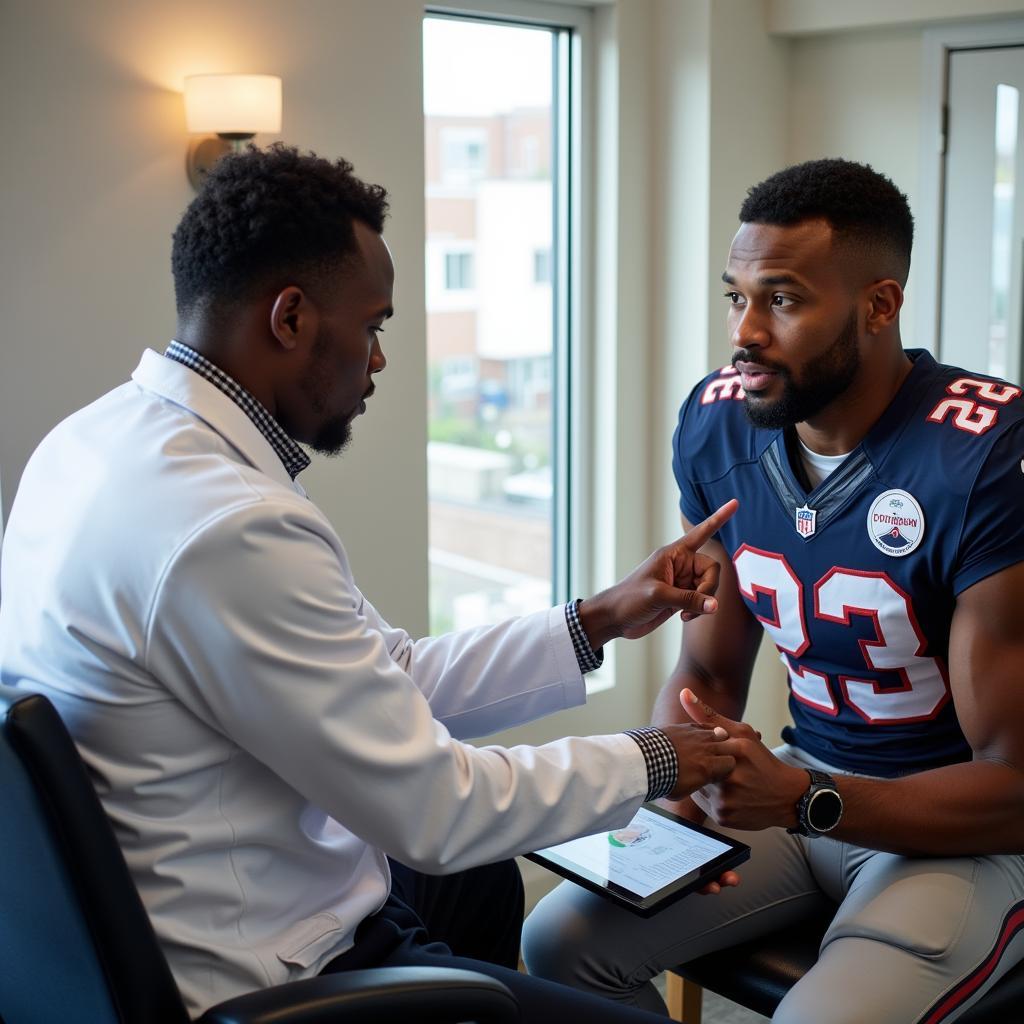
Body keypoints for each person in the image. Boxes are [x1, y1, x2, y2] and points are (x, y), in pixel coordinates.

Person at [0, 145, 742, 1023]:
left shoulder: (94, 444)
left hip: (154, 910)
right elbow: (438, 810)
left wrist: (600, 619)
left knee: (481, 886)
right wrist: (663, 758)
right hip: (264, 976)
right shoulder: (227, 527)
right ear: (291, 318)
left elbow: (386, 677)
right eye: (375, 325)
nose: (380, 360)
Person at [523, 158, 1024, 1023]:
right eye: (735, 298)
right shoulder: (720, 422)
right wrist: (678, 797)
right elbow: (708, 681)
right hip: (806, 785)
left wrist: (803, 800)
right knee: (559, 941)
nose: (744, 332)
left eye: (782, 300)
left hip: (958, 835)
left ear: (879, 304)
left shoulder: (982, 454)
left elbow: (1014, 784)